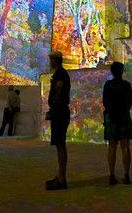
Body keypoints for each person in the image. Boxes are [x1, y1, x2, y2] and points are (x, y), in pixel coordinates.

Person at [103, 61, 132, 185]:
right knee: (125, 147)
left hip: (112, 117)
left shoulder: (108, 85)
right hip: (124, 117)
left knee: (112, 147)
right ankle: (126, 175)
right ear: (122, 71)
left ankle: (111, 175)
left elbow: (105, 102)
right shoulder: (126, 85)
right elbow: (129, 102)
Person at [45, 51, 71, 190]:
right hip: (60, 112)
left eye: (51, 60)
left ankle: (62, 179)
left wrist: (53, 108)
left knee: (60, 145)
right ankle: (61, 176)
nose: (49, 62)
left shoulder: (60, 75)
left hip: (59, 113)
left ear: (55, 61)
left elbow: (58, 92)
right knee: (60, 144)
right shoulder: (61, 74)